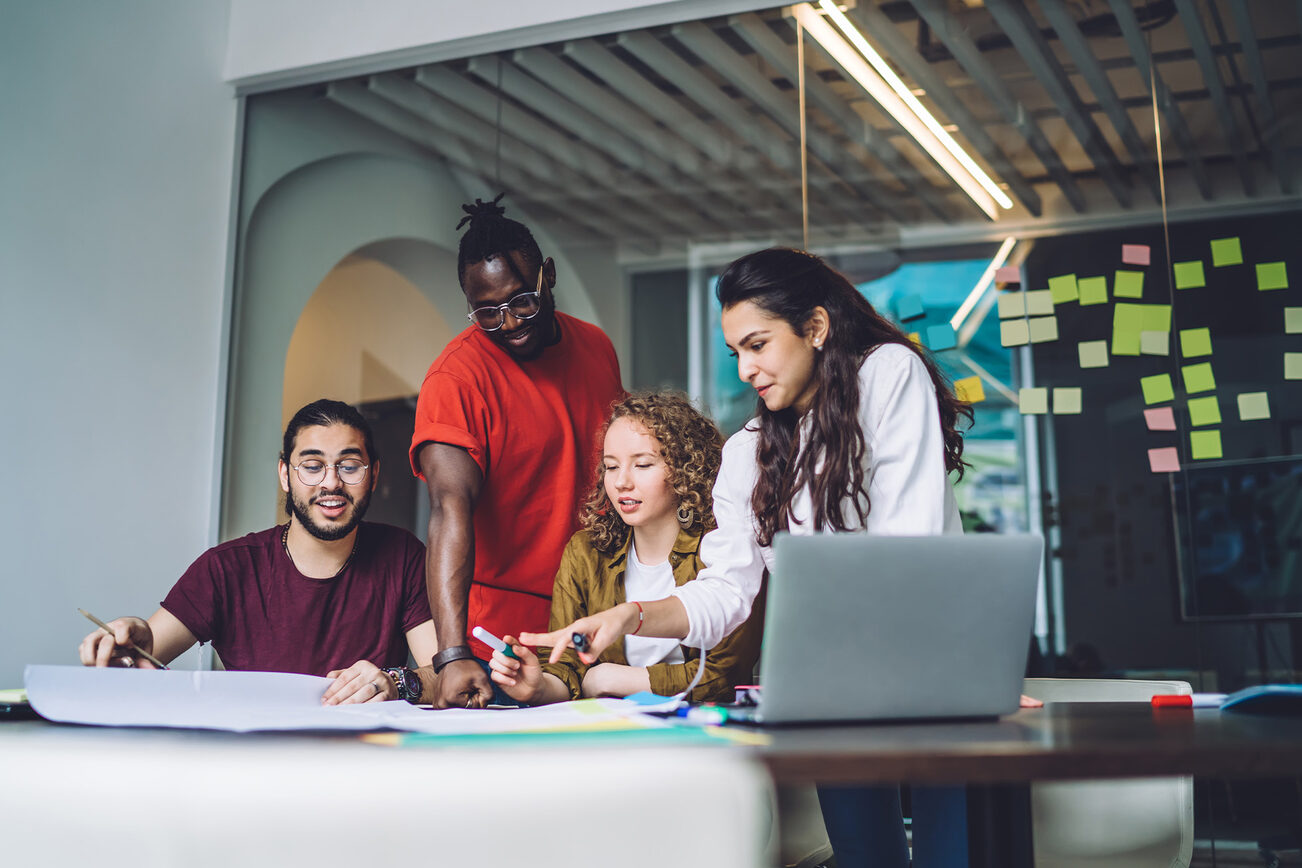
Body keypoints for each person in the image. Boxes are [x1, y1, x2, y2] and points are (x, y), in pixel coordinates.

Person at [524, 247, 999, 867]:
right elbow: (726, 590)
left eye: (758, 344)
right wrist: (630, 614)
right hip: (831, 683)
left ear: (817, 328)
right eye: (736, 353)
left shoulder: (887, 372)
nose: (746, 368)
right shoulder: (749, 451)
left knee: (947, 856)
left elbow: (907, 541)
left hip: (928, 666)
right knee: (864, 856)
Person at [79, 399, 437, 706]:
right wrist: (128, 647)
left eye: (349, 466)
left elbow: (445, 675)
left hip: (364, 764)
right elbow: (142, 655)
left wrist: (397, 683)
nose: (331, 482)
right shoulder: (226, 568)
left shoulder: (402, 556)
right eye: (312, 466)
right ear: (285, 474)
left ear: (373, 475)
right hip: (250, 764)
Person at [410, 195, 623, 709]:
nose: (509, 323)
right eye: (487, 312)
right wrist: (452, 653)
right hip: (501, 646)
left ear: (547, 276)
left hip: (593, 624)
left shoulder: (595, 346)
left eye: (521, 301)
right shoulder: (456, 379)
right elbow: (447, 511)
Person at [487, 392, 763, 705]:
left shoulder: (726, 549)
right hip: (611, 735)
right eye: (611, 467)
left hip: (699, 732)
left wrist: (612, 678)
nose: (622, 482)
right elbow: (567, 669)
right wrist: (538, 687)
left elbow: (723, 677)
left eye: (643, 465)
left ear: (687, 469)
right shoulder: (585, 552)